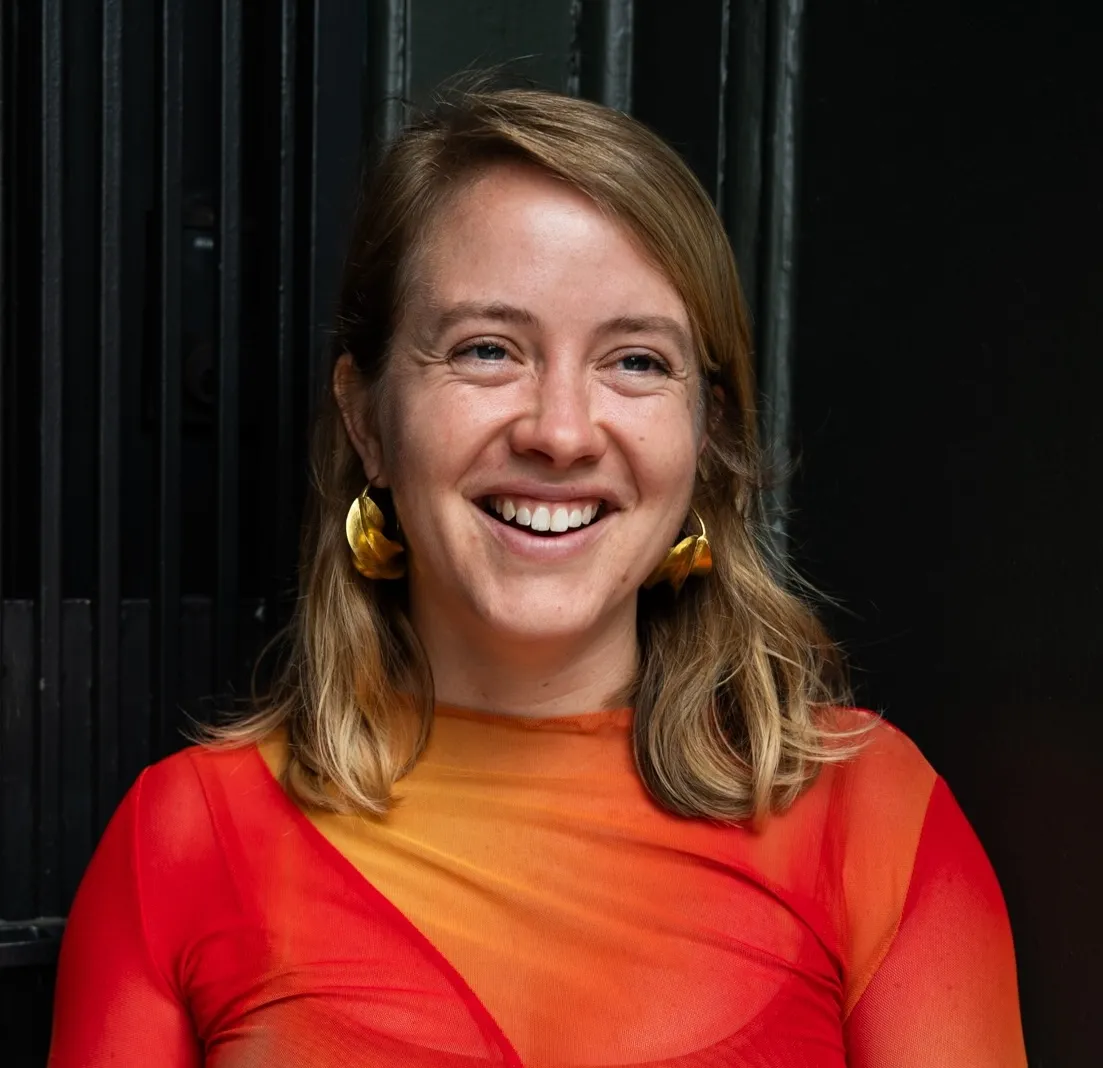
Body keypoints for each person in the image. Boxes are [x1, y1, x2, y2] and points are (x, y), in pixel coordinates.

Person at [48, 86, 1027, 1067]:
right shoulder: (183, 839)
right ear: (366, 421)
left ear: (707, 433)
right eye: (487, 350)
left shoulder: (868, 818)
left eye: (635, 361)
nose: (558, 431)